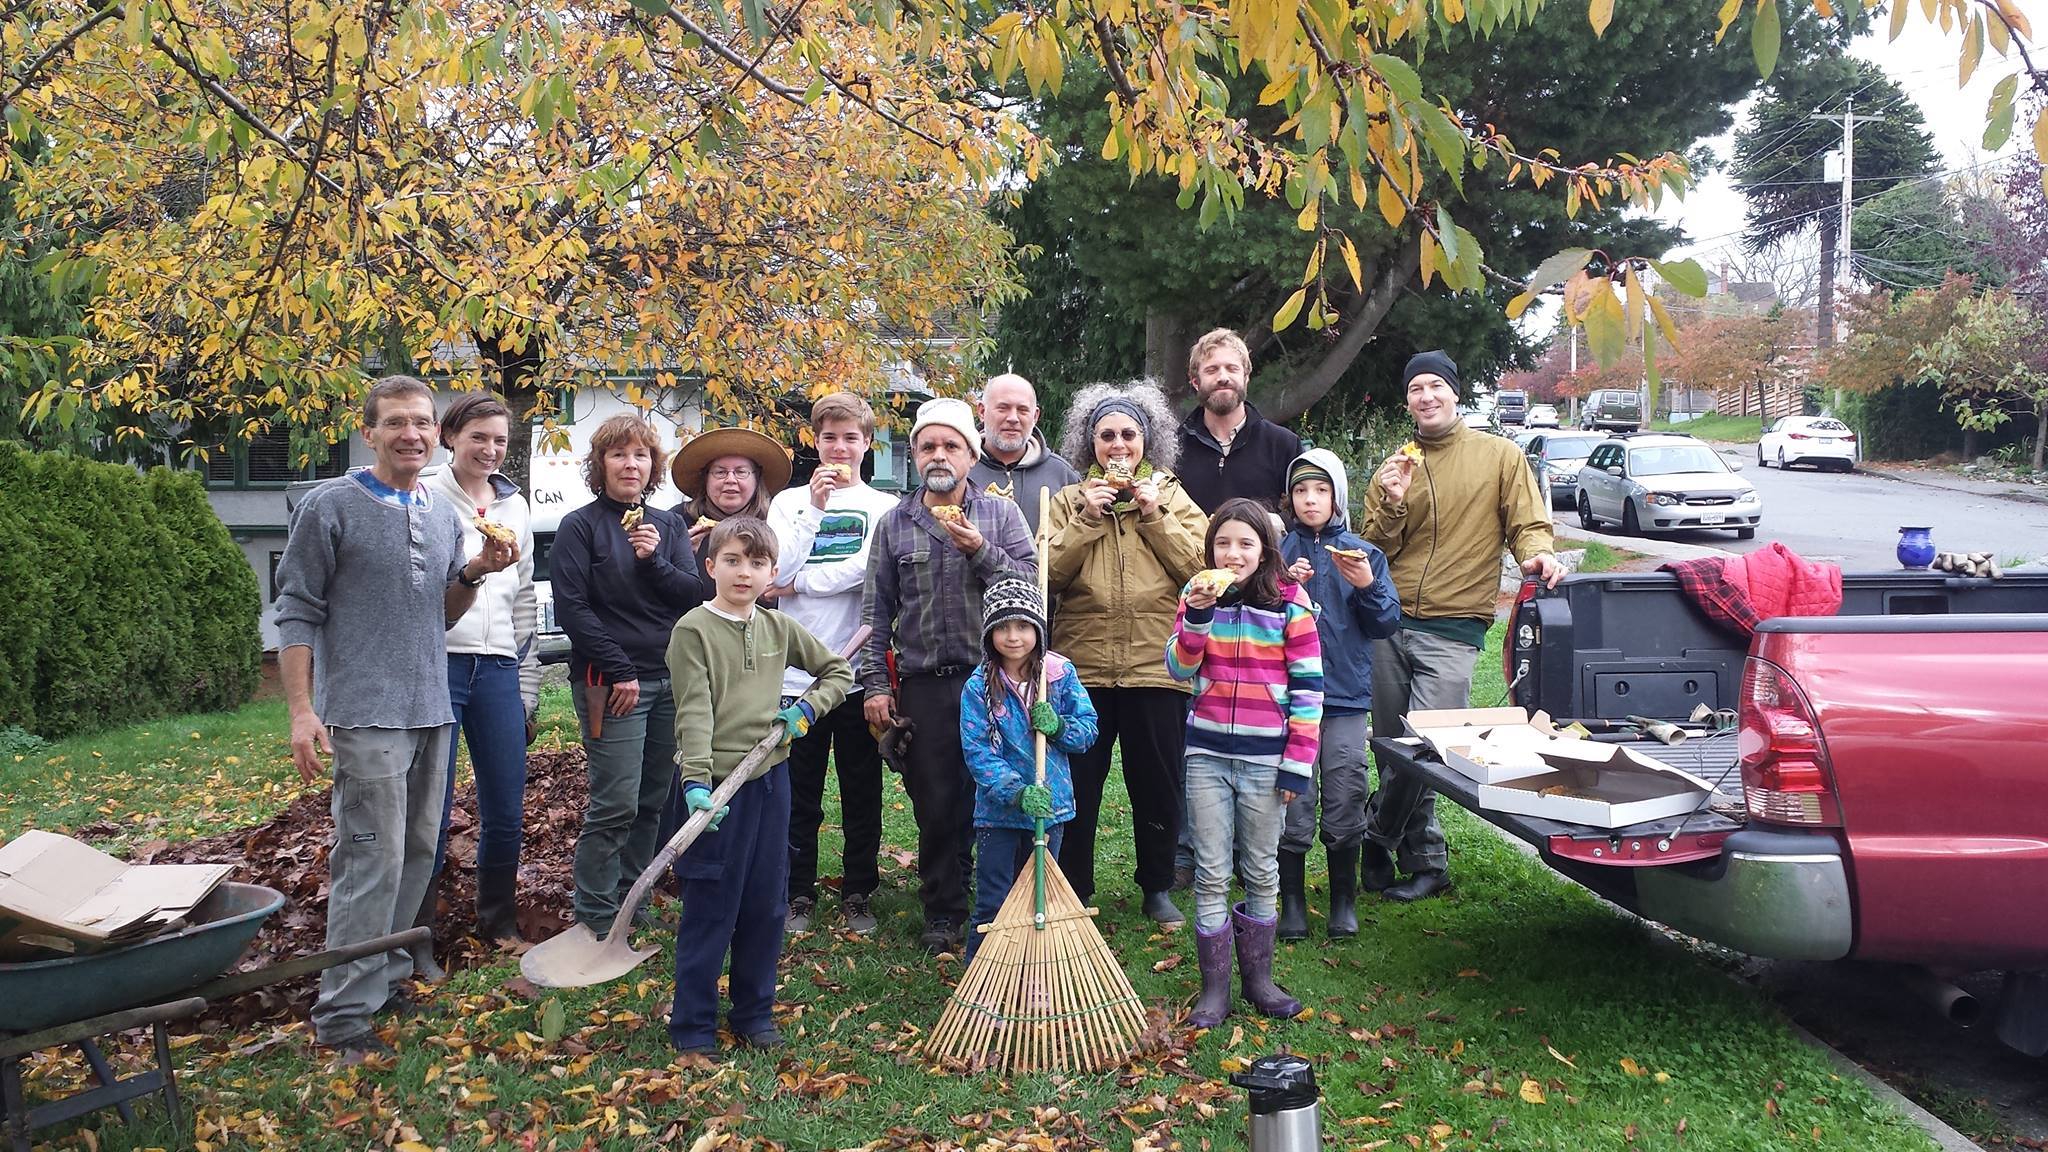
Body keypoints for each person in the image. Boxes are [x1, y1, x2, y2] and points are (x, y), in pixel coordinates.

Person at [275, 374, 517, 1061]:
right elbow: (296, 610)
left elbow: (438, 614)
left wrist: (473, 574)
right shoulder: (330, 506)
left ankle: (384, 976)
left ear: (434, 433)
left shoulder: (443, 515)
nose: (411, 434)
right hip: (364, 710)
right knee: (369, 858)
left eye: (421, 422)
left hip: (430, 708)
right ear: (370, 431)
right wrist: (300, 711)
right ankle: (342, 1015)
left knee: (415, 855)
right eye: (397, 423)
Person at [1357, 351, 1564, 902]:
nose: (1425, 396)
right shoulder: (1395, 464)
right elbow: (1369, 551)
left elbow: (1528, 523)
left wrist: (1538, 555)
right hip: (1388, 619)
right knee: (1391, 744)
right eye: (1415, 389)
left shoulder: (1500, 456)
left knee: (1425, 747)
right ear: (1407, 402)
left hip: (1454, 624)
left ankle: (1377, 836)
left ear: (1455, 393)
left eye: (1435, 386)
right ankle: (1424, 862)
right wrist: (1393, 503)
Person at [664, 516, 853, 1056]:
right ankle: (694, 1026)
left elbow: (837, 672)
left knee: (767, 903)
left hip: (768, 780)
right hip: (714, 790)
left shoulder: (777, 627)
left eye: (755, 562)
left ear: (772, 572)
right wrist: (697, 781)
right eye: (731, 560)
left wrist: (805, 712)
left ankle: (752, 1015)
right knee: (712, 906)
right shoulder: (693, 631)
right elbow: (694, 711)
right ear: (710, 567)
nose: (743, 572)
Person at [859, 397, 1037, 955]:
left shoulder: (1000, 515)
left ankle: (1005, 901)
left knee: (999, 792)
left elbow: (1032, 585)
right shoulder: (894, 523)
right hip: (925, 682)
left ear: (971, 453)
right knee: (935, 801)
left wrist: (982, 553)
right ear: (913, 454)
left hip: (992, 681)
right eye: (928, 445)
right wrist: (876, 686)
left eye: (951, 445)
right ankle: (943, 908)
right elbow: (874, 612)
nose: (939, 455)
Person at [1044, 381, 1207, 926]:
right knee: (1080, 784)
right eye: (1106, 435)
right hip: (1083, 667)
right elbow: (1046, 578)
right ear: (1090, 443)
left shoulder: (1174, 496)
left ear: (1147, 441)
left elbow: (1199, 573)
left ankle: (1157, 885)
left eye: (1129, 435)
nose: (1118, 445)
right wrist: (1086, 520)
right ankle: (1076, 886)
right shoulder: (1069, 499)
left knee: (1157, 783)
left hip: (1156, 667)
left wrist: (1155, 513)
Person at [1165, 497, 1322, 1028]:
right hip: (1207, 754)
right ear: (1210, 548)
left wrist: (1297, 762)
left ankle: (1259, 979)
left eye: (1245, 544)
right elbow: (1178, 668)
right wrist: (1200, 615)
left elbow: (1308, 689)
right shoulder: (1196, 595)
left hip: (1266, 759)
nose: (1232, 554)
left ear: (1264, 550)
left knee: (1261, 868)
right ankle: (1215, 989)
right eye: (1222, 544)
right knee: (1211, 872)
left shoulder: (1290, 603)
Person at [552, 413, 706, 936]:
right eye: (619, 454)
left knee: (651, 798)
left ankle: (630, 899)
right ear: (601, 464)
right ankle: (595, 913)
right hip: (610, 683)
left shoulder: (666, 526)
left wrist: (653, 560)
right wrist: (619, 670)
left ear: (652, 465)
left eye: (640, 455)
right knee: (615, 799)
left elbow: (691, 595)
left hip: (667, 681)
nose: (630, 464)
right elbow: (573, 609)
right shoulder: (581, 526)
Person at [765, 393, 899, 936]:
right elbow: (775, 565)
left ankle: (859, 889)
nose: (839, 448)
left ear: (868, 444)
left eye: (850, 438)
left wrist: (799, 584)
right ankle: (796, 892)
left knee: (861, 787)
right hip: (795, 676)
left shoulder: (884, 509)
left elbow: (869, 572)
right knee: (799, 791)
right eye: (828, 438)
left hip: (857, 672)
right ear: (814, 443)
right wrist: (815, 513)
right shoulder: (788, 503)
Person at [421, 392, 542, 958]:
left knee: (505, 806)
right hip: (439, 664)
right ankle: (420, 932)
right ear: (450, 437)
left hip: (498, 669)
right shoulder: (424, 494)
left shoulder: (514, 507)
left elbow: (523, 604)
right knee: (431, 806)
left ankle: (498, 922)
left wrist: (527, 684)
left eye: (499, 440)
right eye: (478, 438)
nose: (490, 450)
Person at [1276, 449, 1401, 940]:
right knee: (1293, 794)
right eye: (1301, 491)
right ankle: (1291, 902)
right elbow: (1249, 613)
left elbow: (1385, 622)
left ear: (1338, 496)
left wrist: (1368, 586)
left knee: (1347, 784)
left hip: (1346, 696)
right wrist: (1281, 586)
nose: (1310, 501)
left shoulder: (1364, 554)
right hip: (1287, 699)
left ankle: (1343, 900)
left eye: (1321, 490)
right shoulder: (1277, 551)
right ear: (1290, 498)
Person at [959, 578, 1098, 961]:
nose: (1013, 636)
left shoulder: (1058, 675)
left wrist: (1059, 727)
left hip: (1049, 811)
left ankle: (1033, 972)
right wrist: (1016, 791)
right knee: (994, 900)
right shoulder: (978, 687)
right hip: (998, 814)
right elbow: (978, 753)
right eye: (1003, 627)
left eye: (1022, 626)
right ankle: (984, 978)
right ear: (989, 633)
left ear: (1038, 628)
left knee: (1039, 900)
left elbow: (1088, 730)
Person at [1174, 328, 1304, 514]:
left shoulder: (1283, 445)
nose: (1223, 378)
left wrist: (1276, 524)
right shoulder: (1174, 448)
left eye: (1232, 368)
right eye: (1212, 370)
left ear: (1246, 377)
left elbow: (1303, 516)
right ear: (1195, 382)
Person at [968, 372, 1079, 534]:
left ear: (1035, 416)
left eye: (1022, 410)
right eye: (1003, 408)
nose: (1013, 418)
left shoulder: (1062, 476)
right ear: (982, 411)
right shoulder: (960, 470)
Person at [672, 426, 792, 557]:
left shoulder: (777, 523)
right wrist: (677, 555)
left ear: (757, 479)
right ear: (706, 479)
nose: (730, 480)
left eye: (741, 472)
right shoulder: (676, 522)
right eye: (720, 472)